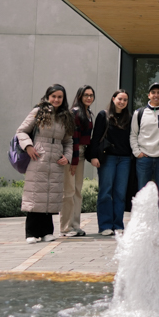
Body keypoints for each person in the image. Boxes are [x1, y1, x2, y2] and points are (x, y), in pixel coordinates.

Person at [15, 84, 74, 243]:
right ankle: (31, 233)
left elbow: (68, 141)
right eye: (53, 96)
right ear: (48, 97)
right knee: (36, 195)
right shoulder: (38, 112)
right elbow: (21, 131)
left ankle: (47, 232)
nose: (56, 99)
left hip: (56, 161)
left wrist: (67, 157)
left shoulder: (66, 116)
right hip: (38, 158)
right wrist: (28, 146)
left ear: (63, 99)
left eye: (59, 97)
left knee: (50, 196)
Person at [131, 83, 159, 233]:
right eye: (153, 92)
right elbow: (133, 134)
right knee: (142, 193)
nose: (156, 95)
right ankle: (143, 224)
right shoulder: (139, 113)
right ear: (148, 95)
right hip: (144, 158)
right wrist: (137, 152)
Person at [86, 89, 132, 236]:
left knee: (120, 193)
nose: (122, 102)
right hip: (108, 158)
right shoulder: (103, 115)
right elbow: (96, 137)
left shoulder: (129, 117)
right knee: (105, 192)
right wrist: (93, 156)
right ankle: (105, 226)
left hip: (124, 159)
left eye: (125, 100)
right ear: (113, 99)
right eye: (120, 99)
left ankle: (118, 225)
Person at [59, 85, 95, 237]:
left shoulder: (88, 113)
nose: (89, 97)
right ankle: (65, 227)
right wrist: (73, 162)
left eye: (91, 95)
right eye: (86, 95)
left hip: (81, 155)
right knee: (68, 191)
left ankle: (75, 225)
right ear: (80, 96)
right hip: (72, 155)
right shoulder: (74, 112)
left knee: (77, 191)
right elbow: (72, 138)